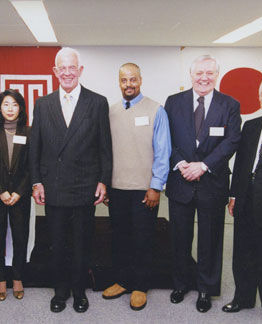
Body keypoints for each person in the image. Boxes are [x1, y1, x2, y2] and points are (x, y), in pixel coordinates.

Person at [30, 47, 112, 313]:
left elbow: (104, 147)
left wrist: (103, 180)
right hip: (52, 186)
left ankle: (79, 291)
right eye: (61, 68)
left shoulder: (97, 102)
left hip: (84, 186)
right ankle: (60, 291)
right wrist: (36, 181)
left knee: (81, 243)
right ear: (55, 72)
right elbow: (35, 148)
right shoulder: (43, 104)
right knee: (57, 243)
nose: (67, 73)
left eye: (71, 68)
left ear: (80, 71)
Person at [164, 55, 241, 312]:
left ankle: (206, 289)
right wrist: (180, 163)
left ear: (217, 75)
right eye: (199, 73)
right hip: (181, 180)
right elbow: (167, 139)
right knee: (179, 238)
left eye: (209, 73)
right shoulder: (173, 102)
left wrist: (204, 166)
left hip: (212, 182)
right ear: (191, 74)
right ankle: (181, 283)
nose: (204, 78)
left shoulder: (229, 105)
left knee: (210, 239)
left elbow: (232, 141)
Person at [102, 63, 171, 310]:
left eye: (133, 79)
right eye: (124, 80)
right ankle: (122, 281)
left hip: (145, 190)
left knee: (143, 239)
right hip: (117, 188)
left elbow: (164, 152)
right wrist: (107, 185)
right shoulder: (110, 112)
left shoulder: (156, 110)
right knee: (120, 238)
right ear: (118, 82)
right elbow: (106, 152)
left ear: (140, 80)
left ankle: (141, 286)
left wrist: (156, 186)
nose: (128, 84)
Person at [222, 76, 262, 324]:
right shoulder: (251, 126)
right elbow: (241, 166)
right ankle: (243, 298)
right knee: (242, 255)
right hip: (245, 204)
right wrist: (234, 195)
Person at [0, 89, 31, 301]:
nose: (10, 109)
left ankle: (18, 278)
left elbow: (31, 166)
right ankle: (0, 279)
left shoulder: (29, 132)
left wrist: (18, 191)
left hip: (20, 195)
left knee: (20, 237)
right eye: (6, 104)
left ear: (21, 107)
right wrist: (1, 191)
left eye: (14, 104)